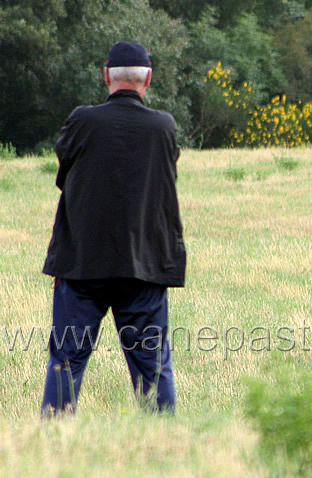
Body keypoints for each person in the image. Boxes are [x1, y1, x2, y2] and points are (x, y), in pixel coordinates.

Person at [41, 42, 186, 416]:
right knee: (153, 369)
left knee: (66, 362)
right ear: (148, 78)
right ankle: (166, 445)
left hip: (82, 264)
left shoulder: (82, 120)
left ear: (106, 74)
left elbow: (65, 172)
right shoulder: (163, 127)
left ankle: (51, 442)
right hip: (143, 266)